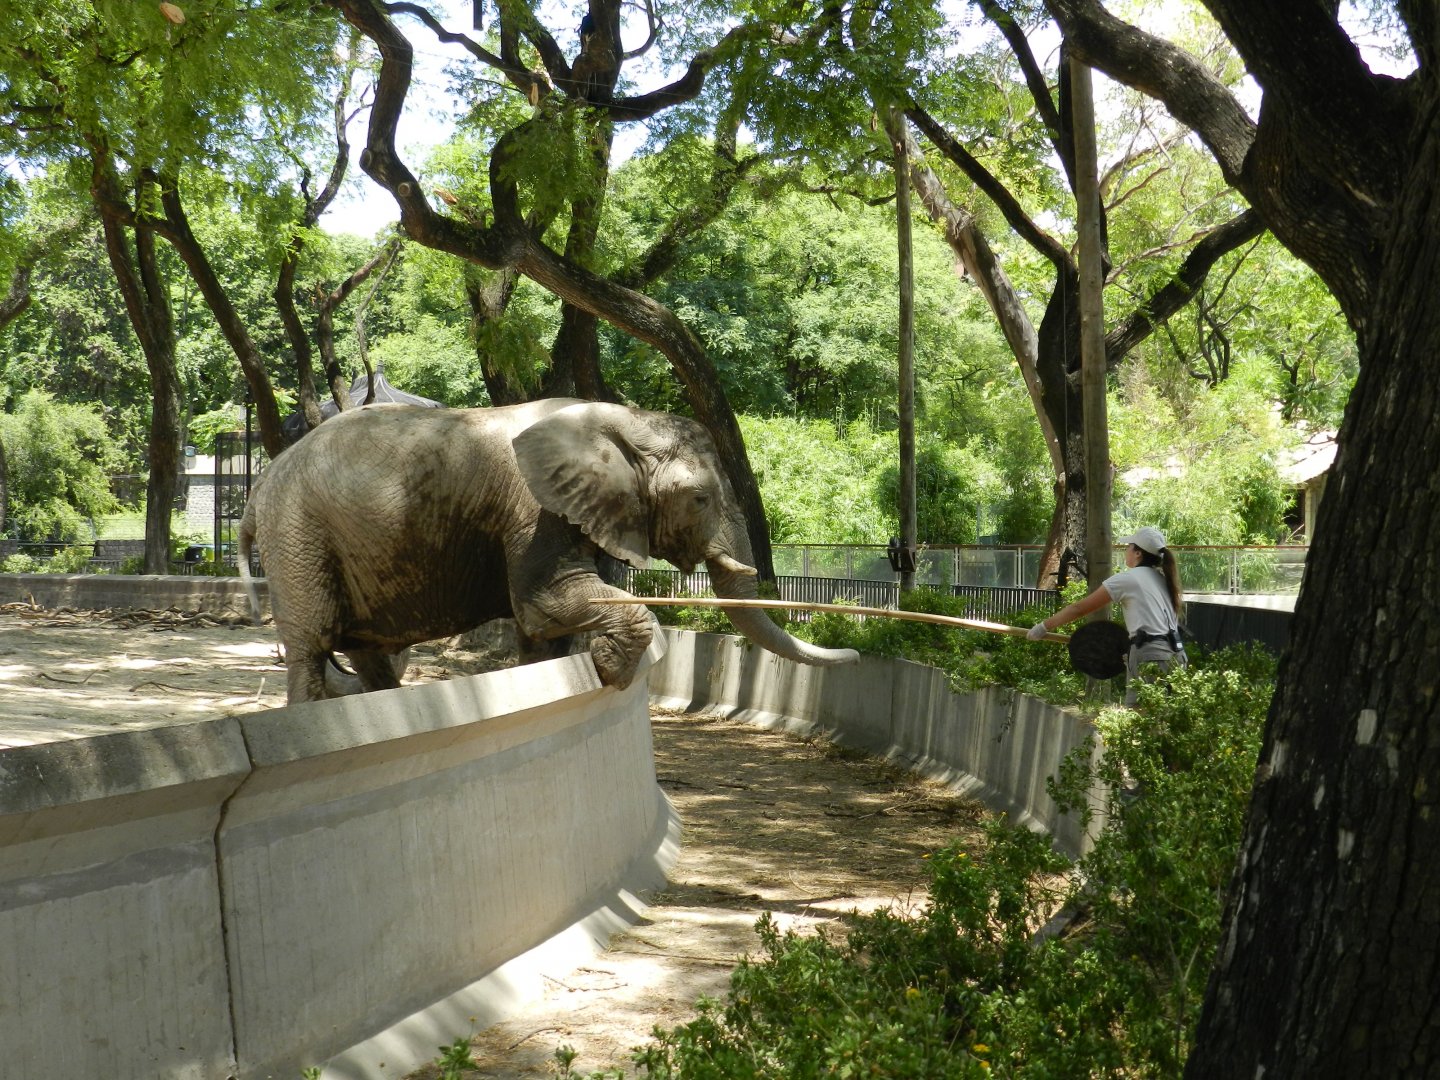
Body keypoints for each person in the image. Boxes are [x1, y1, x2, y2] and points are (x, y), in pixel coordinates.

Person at [1027, 526, 1187, 703]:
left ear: (1138, 553)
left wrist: (1043, 627)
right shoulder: (1164, 579)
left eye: (1129, 546)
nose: (1126, 550)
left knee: (1141, 717)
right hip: (1176, 655)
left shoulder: (1129, 579)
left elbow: (1079, 608)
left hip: (1150, 655)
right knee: (1168, 719)